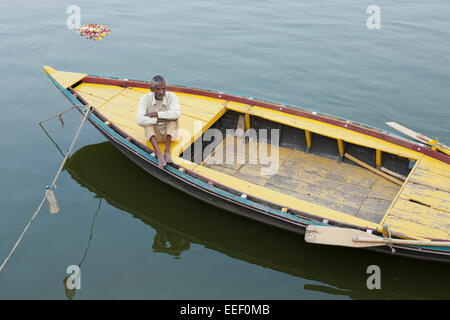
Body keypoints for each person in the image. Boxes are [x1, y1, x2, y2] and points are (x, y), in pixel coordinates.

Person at [137, 75, 181, 168]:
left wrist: (155, 114)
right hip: (154, 136)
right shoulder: (145, 98)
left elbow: (177, 113)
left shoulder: (172, 96)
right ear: (152, 89)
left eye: (163, 89)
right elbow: (139, 120)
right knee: (147, 123)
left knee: (173, 119)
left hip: (169, 135)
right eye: (157, 89)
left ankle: (167, 152)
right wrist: (157, 120)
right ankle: (158, 153)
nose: (161, 92)